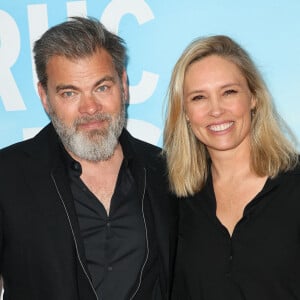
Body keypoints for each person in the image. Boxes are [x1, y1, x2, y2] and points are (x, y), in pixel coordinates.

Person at [0, 17, 177, 300]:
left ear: (124, 85)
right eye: (70, 93)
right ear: (45, 97)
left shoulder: (166, 170)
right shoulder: (7, 176)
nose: (90, 107)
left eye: (102, 87)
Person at [164, 35, 300, 299]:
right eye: (199, 97)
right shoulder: (174, 202)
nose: (216, 110)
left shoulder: (295, 187)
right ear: (186, 114)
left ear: (254, 98)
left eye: (229, 92)